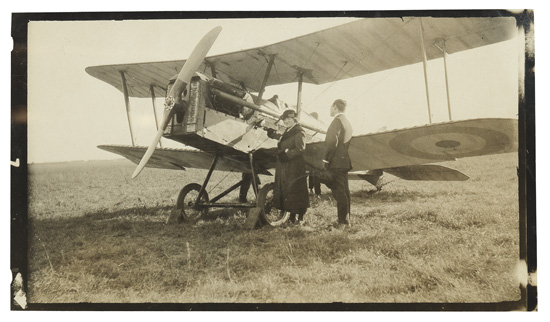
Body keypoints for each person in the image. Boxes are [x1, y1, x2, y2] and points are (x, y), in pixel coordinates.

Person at [267, 109, 310, 224]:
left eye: (288, 119)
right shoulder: (288, 130)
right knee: (286, 189)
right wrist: (271, 133)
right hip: (285, 164)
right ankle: (290, 215)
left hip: (294, 165)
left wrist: (287, 153)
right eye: (284, 119)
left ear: (294, 119)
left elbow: (301, 149)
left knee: (295, 189)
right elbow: (283, 139)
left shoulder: (300, 131)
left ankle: (298, 217)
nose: (286, 121)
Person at [322, 99, 353, 228]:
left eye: (331, 106)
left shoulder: (336, 121)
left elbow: (331, 142)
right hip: (344, 161)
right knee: (345, 192)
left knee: (340, 193)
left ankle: (342, 222)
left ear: (335, 107)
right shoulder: (347, 122)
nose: (330, 109)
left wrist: (325, 159)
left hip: (336, 162)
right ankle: (347, 220)